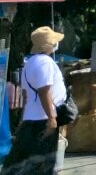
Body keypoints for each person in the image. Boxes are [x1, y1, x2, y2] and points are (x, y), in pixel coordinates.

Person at [1, 26, 66, 175]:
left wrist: (24, 117)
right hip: (42, 119)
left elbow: (26, 95)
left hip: (32, 117)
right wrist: (52, 118)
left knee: (22, 161)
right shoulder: (45, 62)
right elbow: (44, 91)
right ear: (49, 44)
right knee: (42, 162)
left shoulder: (29, 63)